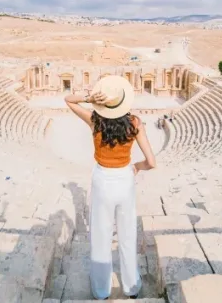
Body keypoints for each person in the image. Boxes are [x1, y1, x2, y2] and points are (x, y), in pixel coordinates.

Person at [65, 75, 156, 300]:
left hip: (103, 179)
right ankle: (131, 287)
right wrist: (137, 166)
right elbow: (152, 162)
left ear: (102, 103)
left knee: (101, 234)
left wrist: (88, 97)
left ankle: (101, 290)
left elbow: (68, 100)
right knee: (126, 233)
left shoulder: (95, 121)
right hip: (125, 179)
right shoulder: (135, 123)